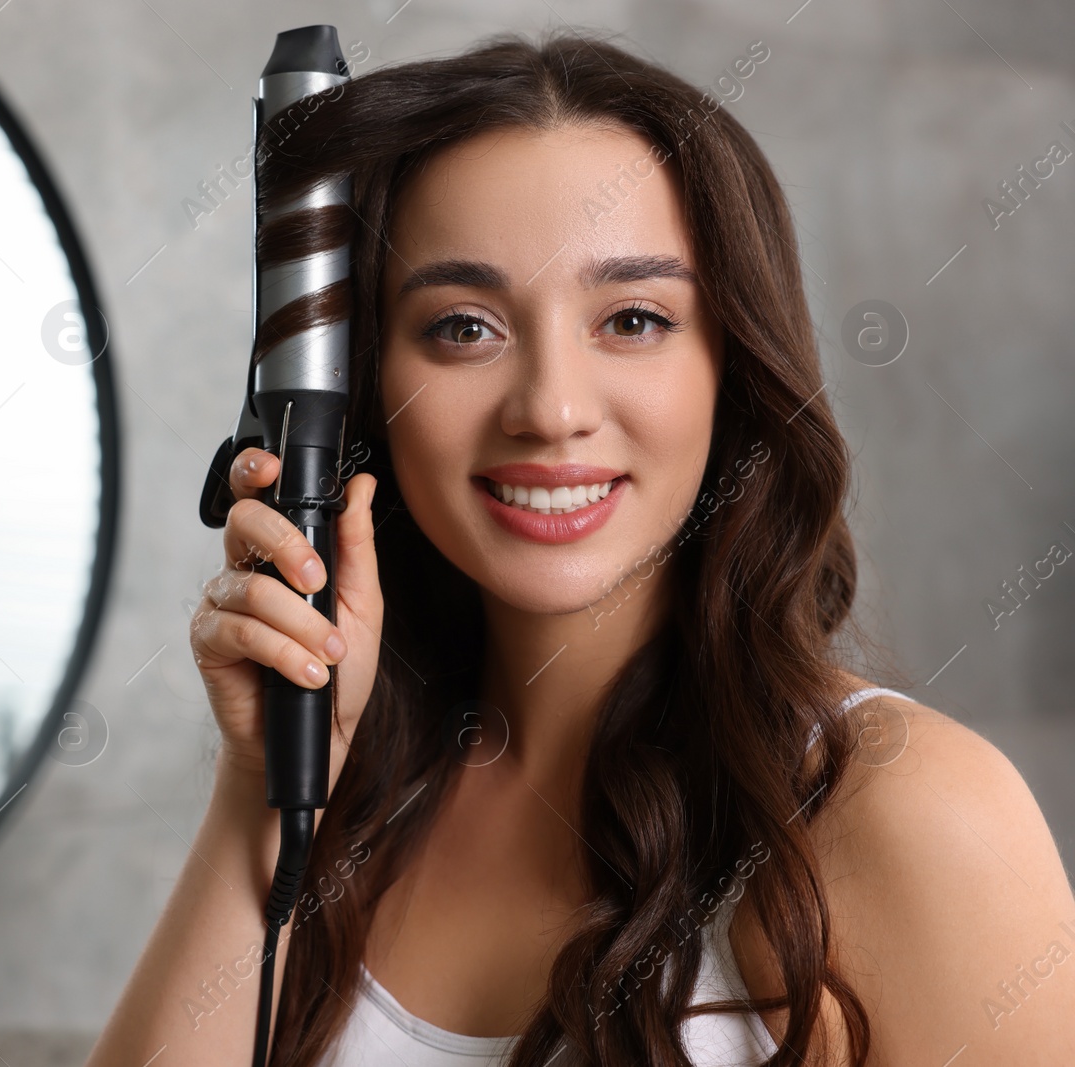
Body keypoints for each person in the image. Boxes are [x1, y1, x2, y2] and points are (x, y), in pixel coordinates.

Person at [84, 30, 1075, 1067]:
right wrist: (262, 783)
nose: (550, 409)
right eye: (463, 327)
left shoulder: (904, 811)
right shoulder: (339, 800)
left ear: (728, 369)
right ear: (370, 392)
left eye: (633, 319)